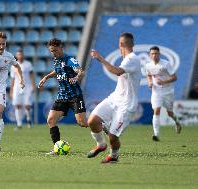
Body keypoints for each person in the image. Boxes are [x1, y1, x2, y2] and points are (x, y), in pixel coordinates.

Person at [88, 33, 141, 163]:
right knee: (92, 121)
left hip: (126, 105)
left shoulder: (132, 59)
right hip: (114, 99)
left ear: (121, 44)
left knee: (113, 136)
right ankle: (101, 145)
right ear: (132, 44)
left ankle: (114, 156)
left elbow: (117, 71)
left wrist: (100, 58)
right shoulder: (127, 58)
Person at [38, 38, 87, 155]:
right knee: (51, 120)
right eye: (51, 51)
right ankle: (57, 148)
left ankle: (100, 124)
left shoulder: (70, 59)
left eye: (55, 50)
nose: (53, 53)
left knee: (82, 123)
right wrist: (46, 77)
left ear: (61, 47)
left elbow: (81, 71)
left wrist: (76, 77)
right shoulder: (56, 60)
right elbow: (57, 71)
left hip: (75, 96)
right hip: (62, 96)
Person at [145, 46, 182, 141]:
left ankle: (177, 122)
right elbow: (148, 75)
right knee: (156, 110)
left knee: (170, 113)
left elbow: (175, 77)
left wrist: (164, 82)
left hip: (168, 92)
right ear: (150, 55)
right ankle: (156, 135)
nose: (154, 55)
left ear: (159, 54)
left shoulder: (166, 64)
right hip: (156, 92)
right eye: (152, 54)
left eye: (156, 53)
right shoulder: (148, 65)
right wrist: (149, 82)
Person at [10, 49, 36, 129]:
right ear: (17, 56)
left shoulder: (28, 64)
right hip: (17, 87)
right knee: (17, 105)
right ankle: (19, 124)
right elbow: (12, 79)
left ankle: (28, 119)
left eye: (21, 54)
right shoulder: (13, 66)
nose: (20, 56)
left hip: (27, 86)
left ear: (23, 55)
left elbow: (31, 75)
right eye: (18, 55)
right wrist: (11, 90)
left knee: (27, 105)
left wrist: (33, 85)